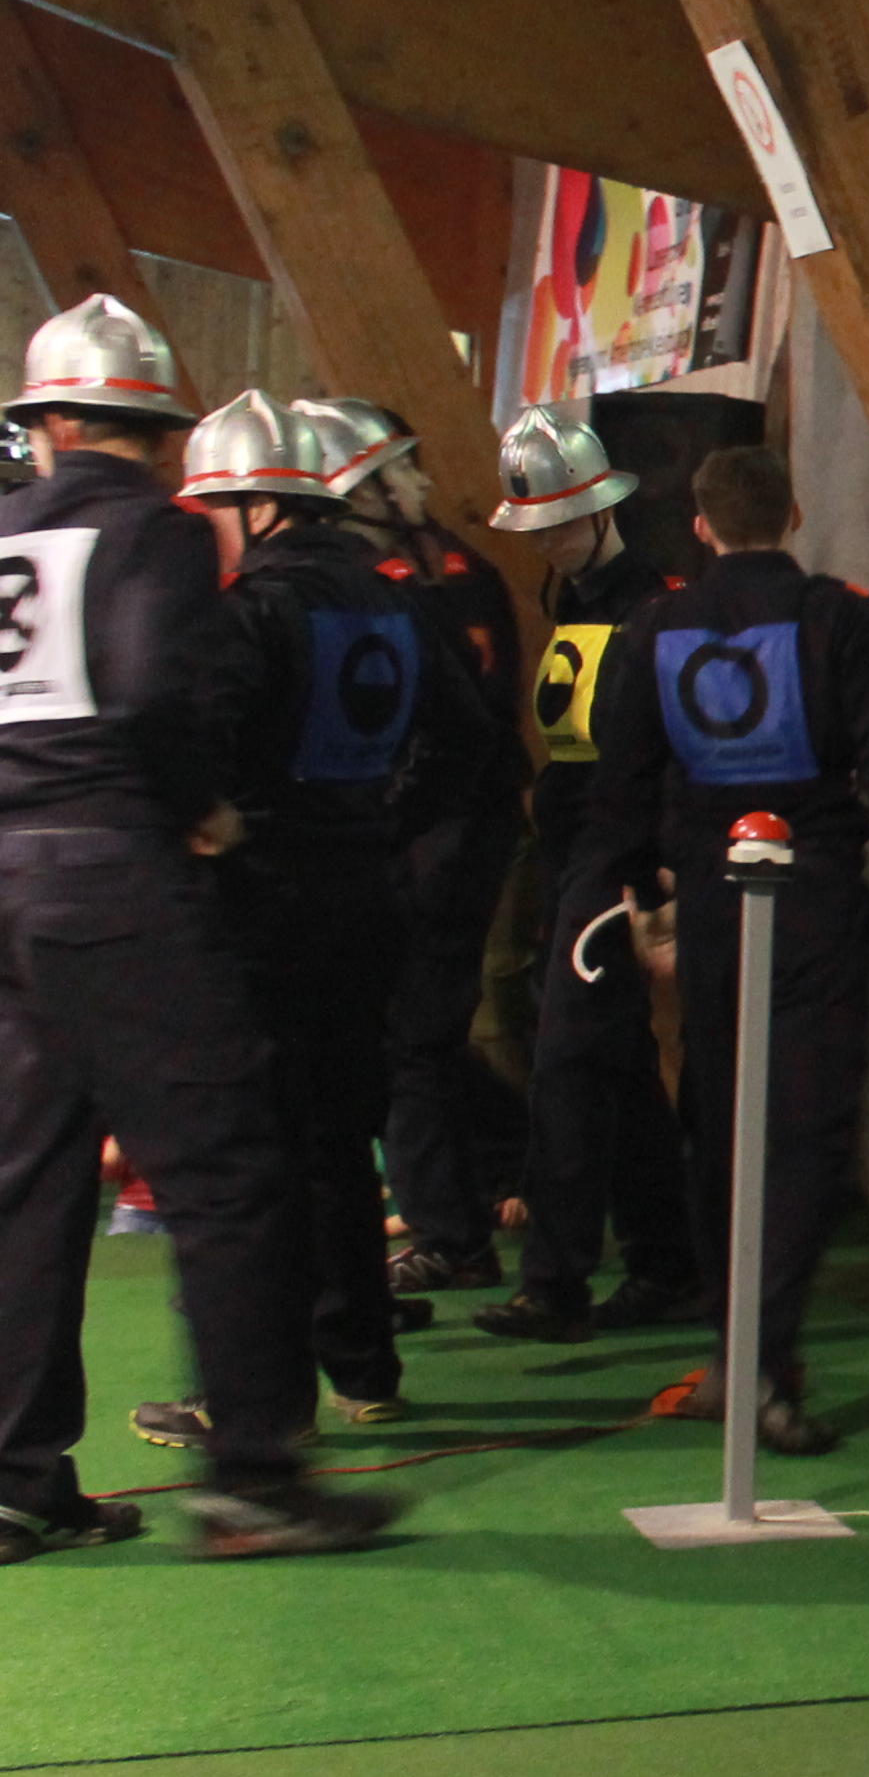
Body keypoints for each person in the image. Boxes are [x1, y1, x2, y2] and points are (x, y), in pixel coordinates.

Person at [0, 308, 400, 1558]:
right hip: (115, 879)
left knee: (28, 1185)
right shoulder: (157, 534)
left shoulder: (4, 531)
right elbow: (150, 698)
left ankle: (16, 1477)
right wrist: (202, 809)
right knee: (229, 1172)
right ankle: (256, 1480)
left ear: (50, 424)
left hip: (7, 877)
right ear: (160, 433)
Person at [129, 392, 498, 1457]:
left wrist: (221, 830)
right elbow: (470, 742)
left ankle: (250, 1394)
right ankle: (365, 1369)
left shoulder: (250, 611)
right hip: (367, 895)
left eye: (212, 509)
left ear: (256, 505)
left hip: (264, 904)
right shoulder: (395, 599)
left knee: (257, 1154)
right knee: (341, 1140)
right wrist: (387, 822)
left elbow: (196, 746)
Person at [573, 442, 869, 1457]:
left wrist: (638, 893)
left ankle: (735, 1354)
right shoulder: (843, 616)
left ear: (701, 526)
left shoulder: (657, 624)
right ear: (793, 512)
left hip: (709, 905)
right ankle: (764, 1362)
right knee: (803, 1131)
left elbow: (620, 779)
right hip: (814, 903)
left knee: (719, 1128)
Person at [473, 404, 700, 1343]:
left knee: (570, 1063)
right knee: (616, 1065)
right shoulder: (575, 601)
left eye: (562, 523)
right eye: (538, 527)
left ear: (602, 510)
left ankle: (558, 1283)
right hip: (579, 856)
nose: (549, 541)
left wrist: (652, 876)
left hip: (616, 864)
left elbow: (666, 751)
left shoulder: (655, 607)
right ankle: (665, 1260)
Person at [315, 399, 533, 1308]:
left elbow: (428, 726)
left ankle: (452, 1232)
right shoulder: (453, 563)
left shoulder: (390, 580)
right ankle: (503, 1166)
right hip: (464, 819)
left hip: (435, 827)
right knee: (427, 1033)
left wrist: (392, 821)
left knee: (410, 1038)